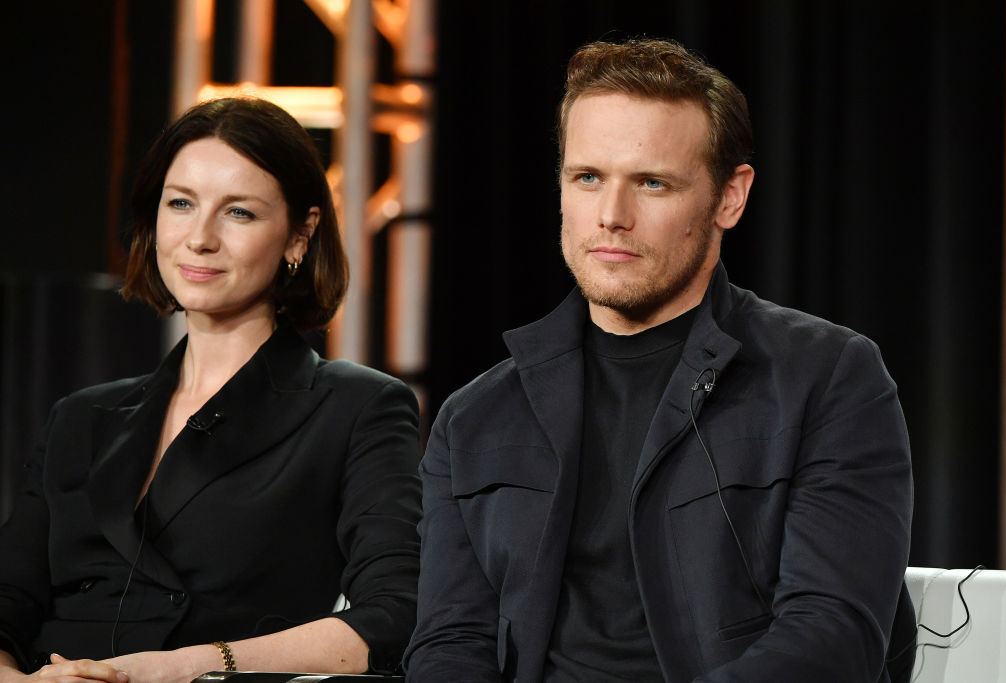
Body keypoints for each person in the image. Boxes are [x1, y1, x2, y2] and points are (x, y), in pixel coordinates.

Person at [404, 38, 916, 682]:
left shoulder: (829, 377)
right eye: (588, 178)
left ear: (730, 197)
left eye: (652, 183)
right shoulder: (475, 416)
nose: (611, 216)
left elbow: (832, 638)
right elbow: (450, 641)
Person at [0, 97, 422, 682]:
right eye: (180, 203)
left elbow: (396, 616)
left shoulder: (356, 407)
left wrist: (191, 666)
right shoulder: (82, 415)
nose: (199, 238)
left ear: (299, 235)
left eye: (239, 213)